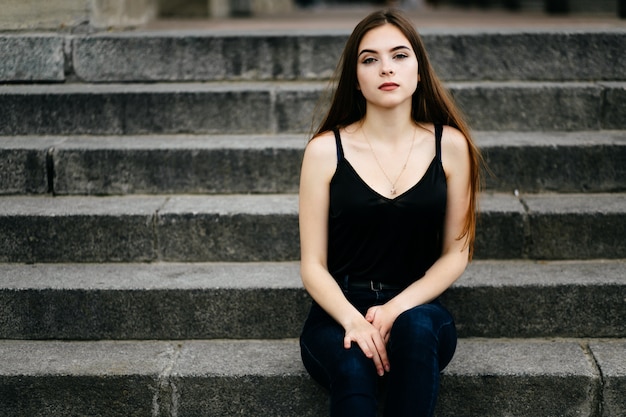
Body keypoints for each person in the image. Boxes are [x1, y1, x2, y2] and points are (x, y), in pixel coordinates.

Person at [298, 9, 482, 417]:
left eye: (400, 56)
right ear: (356, 79)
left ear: (419, 71)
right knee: (351, 363)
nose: (386, 68)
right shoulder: (325, 151)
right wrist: (354, 321)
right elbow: (312, 264)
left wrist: (395, 308)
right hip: (339, 309)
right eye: (370, 59)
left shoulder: (449, 146)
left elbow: (456, 253)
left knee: (416, 331)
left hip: (419, 306)